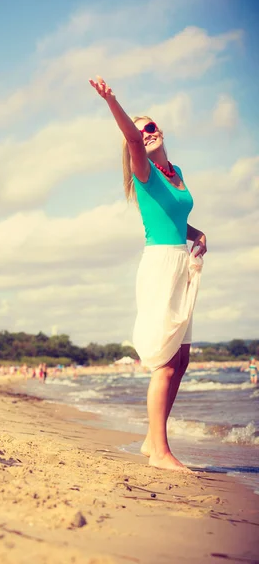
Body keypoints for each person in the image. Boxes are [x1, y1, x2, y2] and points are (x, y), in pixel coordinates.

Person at [90, 76, 207, 472]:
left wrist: (197, 233)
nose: (146, 135)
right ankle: (160, 451)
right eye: (139, 134)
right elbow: (132, 139)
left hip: (181, 264)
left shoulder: (176, 171)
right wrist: (112, 101)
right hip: (159, 267)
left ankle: (148, 441)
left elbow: (174, 216)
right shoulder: (144, 171)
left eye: (151, 127)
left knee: (184, 357)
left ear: (162, 130)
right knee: (166, 362)